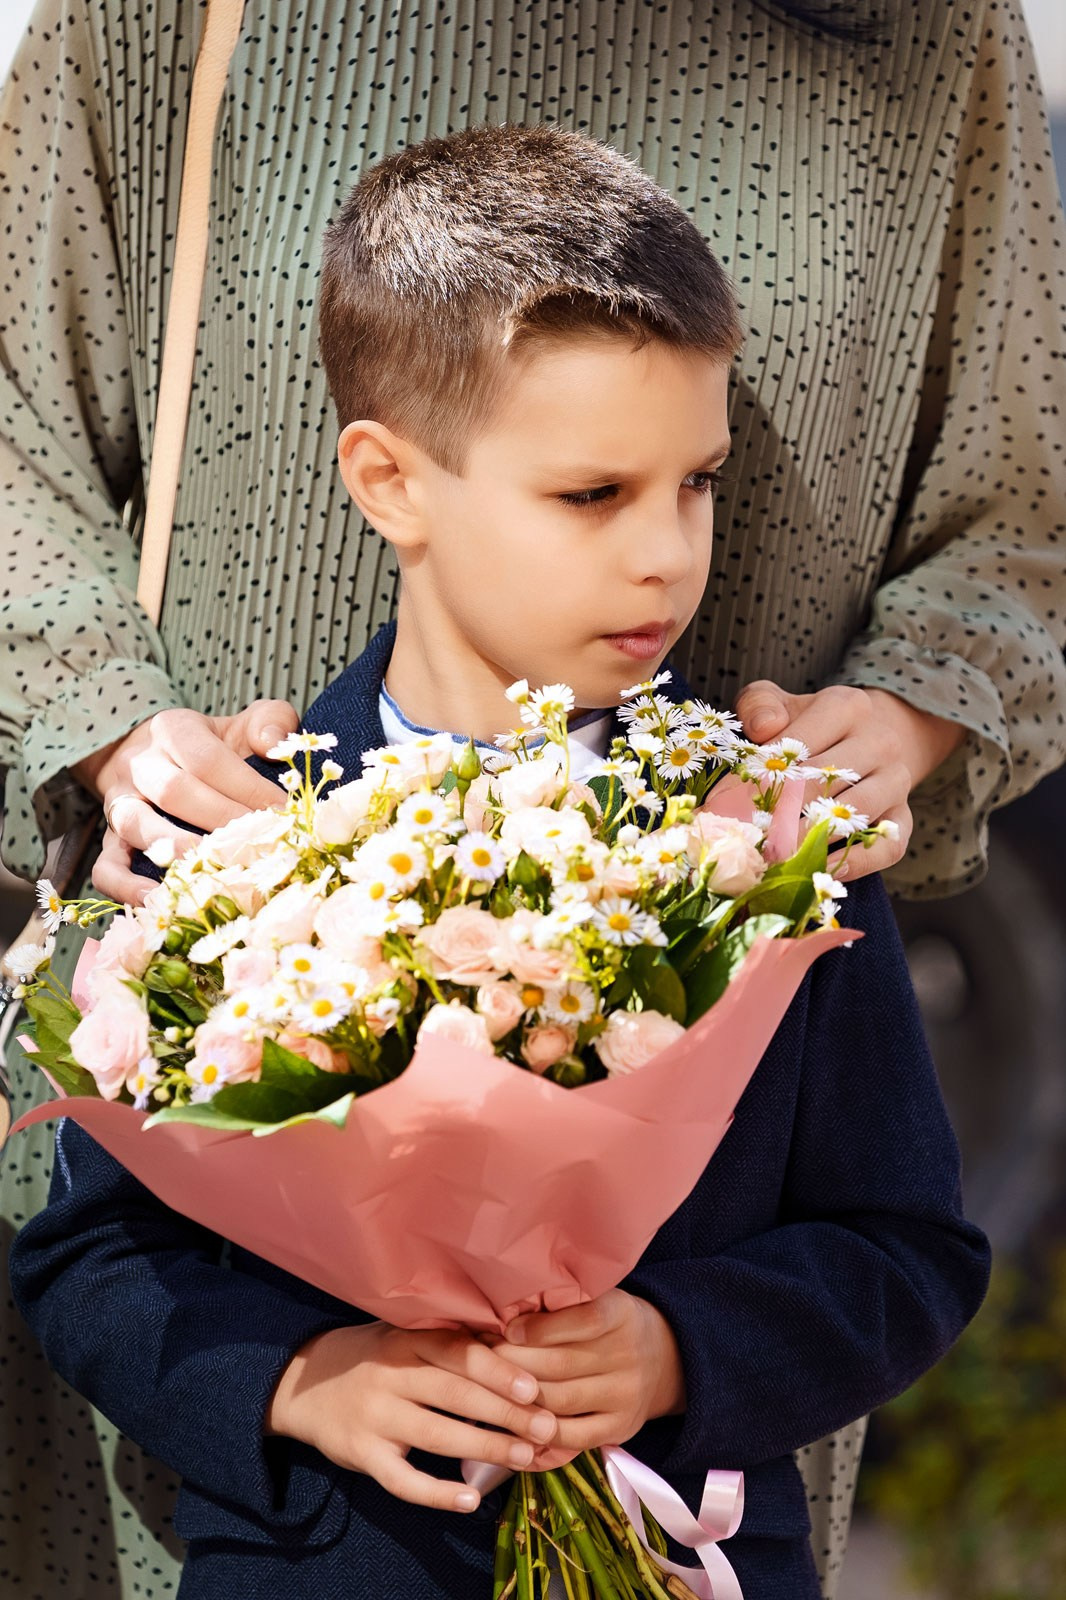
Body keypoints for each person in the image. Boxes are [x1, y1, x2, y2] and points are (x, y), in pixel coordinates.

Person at [0, 1, 1062, 1595]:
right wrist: (295, 1383)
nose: (665, 554)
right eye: (592, 495)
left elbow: (904, 1242)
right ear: (384, 482)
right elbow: (92, 1253)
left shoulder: (764, 852)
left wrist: (673, 1351)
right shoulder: (228, 847)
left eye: (698, 485)